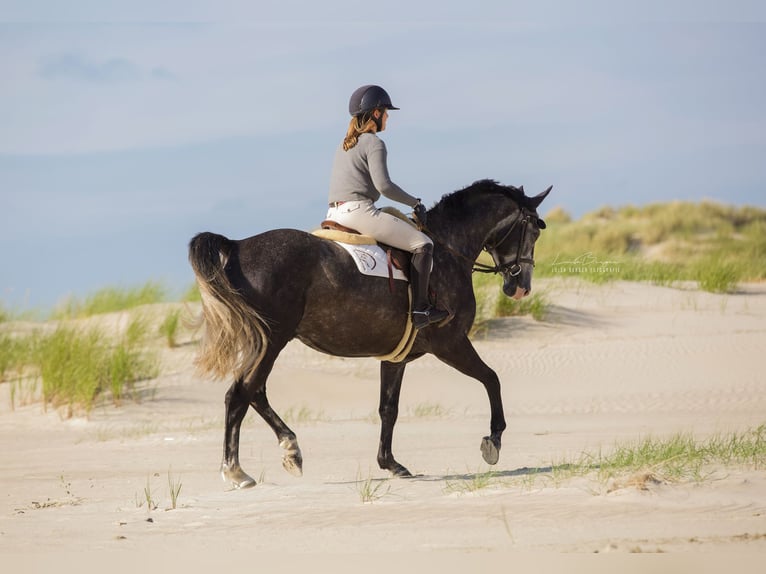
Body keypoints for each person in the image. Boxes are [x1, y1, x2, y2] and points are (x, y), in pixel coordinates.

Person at [327, 84, 449, 330]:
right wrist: (415, 202)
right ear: (375, 114)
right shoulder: (374, 143)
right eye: (386, 111)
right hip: (358, 212)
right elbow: (384, 186)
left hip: (333, 213)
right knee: (423, 244)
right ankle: (420, 310)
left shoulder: (345, 144)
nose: (388, 116)